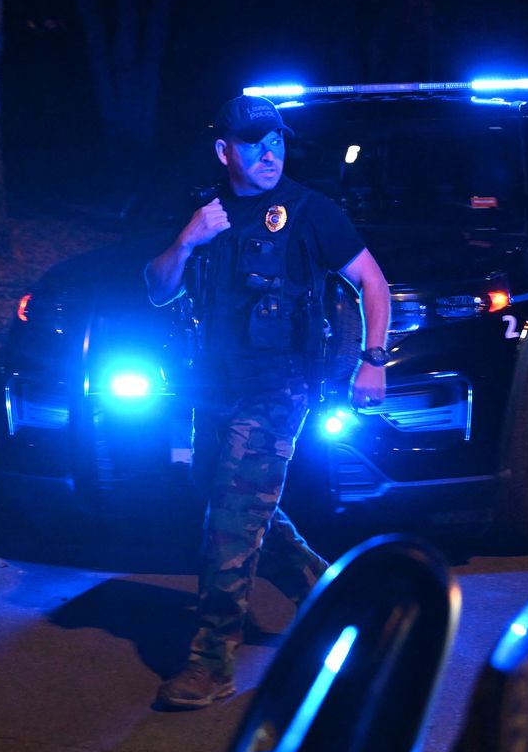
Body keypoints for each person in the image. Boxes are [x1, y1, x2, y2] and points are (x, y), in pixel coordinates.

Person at [145, 94, 391, 710]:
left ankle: (211, 662)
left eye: (277, 140)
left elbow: (372, 281)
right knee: (236, 502)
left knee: (230, 518)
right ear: (224, 150)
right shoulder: (204, 210)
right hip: (213, 386)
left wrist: (373, 359)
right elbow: (157, 289)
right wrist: (187, 239)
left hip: (279, 386)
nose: (269, 152)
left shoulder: (309, 211)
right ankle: (339, 600)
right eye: (255, 142)